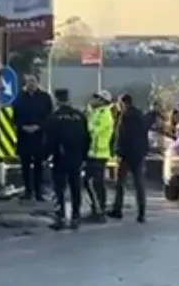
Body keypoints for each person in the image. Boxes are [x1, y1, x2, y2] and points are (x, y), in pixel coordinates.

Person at [44, 88, 89, 230]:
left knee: (59, 189)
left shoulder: (53, 117)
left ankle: (60, 217)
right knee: (75, 187)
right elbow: (87, 138)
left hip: (59, 158)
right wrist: (84, 156)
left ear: (56, 100)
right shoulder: (79, 116)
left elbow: (50, 140)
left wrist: (46, 155)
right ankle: (76, 216)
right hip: (76, 157)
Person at [109, 93, 148, 222]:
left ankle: (117, 210)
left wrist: (118, 151)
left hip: (126, 155)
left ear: (123, 103)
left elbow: (121, 136)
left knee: (120, 183)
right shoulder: (140, 115)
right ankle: (142, 212)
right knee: (139, 185)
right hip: (139, 154)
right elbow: (144, 134)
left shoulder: (124, 117)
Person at [14, 74, 53, 202]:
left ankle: (38, 192)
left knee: (38, 165)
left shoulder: (45, 98)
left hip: (39, 136)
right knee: (25, 165)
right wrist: (22, 126)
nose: (30, 83)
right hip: (24, 135)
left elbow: (49, 116)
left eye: (33, 81)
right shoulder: (20, 97)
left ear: (37, 82)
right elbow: (15, 115)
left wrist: (39, 126)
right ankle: (27, 191)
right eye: (28, 81)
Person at [84, 91, 116, 221]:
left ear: (103, 101)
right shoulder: (97, 112)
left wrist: (88, 119)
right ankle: (96, 209)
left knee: (95, 183)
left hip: (99, 153)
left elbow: (93, 130)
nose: (94, 100)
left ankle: (100, 210)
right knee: (90, 182)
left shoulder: (105, 114)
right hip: (93, 153)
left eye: (97, 98)